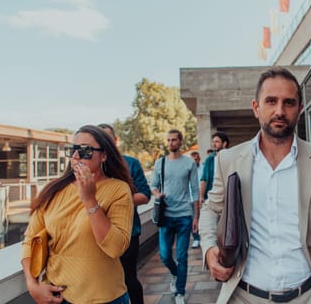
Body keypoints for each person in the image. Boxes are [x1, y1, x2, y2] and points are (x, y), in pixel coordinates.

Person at [199, 67, 311, 304]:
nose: (280, 111)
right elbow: (211, 209)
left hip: (310, 296)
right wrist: (210, 248)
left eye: (289, 103)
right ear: (256, 107)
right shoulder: (229, 160)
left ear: (300, 109)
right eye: (271, 101)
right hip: (244, 295)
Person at [21, 125, 134, 304]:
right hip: (58, 295)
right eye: (73, 150)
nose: (76, 157)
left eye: (85, 151)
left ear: (104, 155)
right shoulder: (54, 190)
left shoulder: (118, 190)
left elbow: (115, 247)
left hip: (105, 297)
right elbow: (30, 240)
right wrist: (31, 284)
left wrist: (90, 200)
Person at [99, 123, 151, 304]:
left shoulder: (130, 163)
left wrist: (116, 201)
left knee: (128, 279)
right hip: (98, 236)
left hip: (129, 232)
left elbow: (145, 195)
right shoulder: (92, 166)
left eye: (107, 139)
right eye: (100, 140)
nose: (104, 143)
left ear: (116, 140)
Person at [150, 129, 199, 304]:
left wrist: (196, 218)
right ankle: (174, 273)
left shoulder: (189, 164)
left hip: (185, 215)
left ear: (180, 141)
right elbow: (154, 186)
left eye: (174, 140)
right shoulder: (160, 163)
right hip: (166, 216)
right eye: (168, 140)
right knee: (164, 255)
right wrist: (157, 195)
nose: (171, 143)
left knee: (182, 256)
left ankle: (180, 292)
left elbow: (195, 191)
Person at [199, 131, 229, 205]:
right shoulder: (209, 160)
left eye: (217, 142)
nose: (214, 144)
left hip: (227, 196)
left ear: (224, 143)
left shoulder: (231, 157)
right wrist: (201, 196)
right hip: (212, 196)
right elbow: (204, 179)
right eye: (213, 142)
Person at [190, 151, 203, 248]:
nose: (195, 161)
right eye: (193, 160)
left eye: (197, 159)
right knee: (193, 220)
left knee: (203, 219)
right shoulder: (187, 170)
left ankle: (205, 238)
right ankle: (196, 238)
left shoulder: (203, 169)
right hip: (190, 199)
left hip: (202, 199)